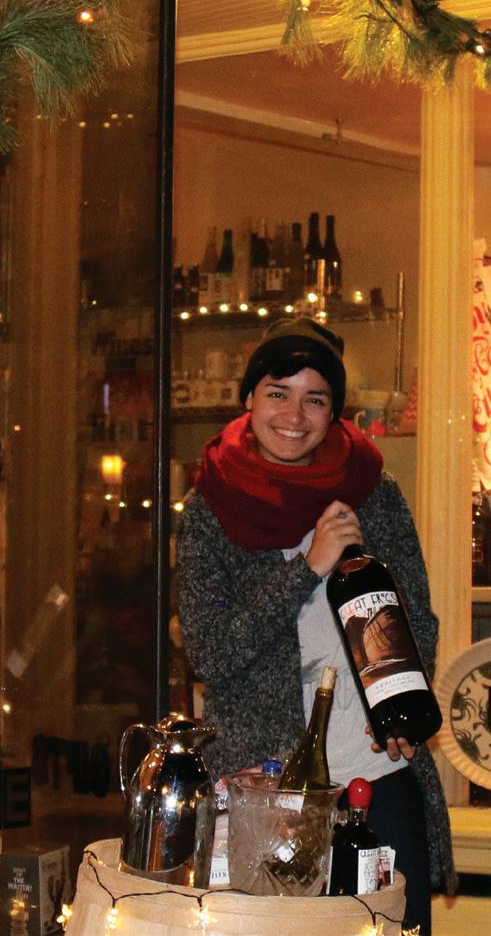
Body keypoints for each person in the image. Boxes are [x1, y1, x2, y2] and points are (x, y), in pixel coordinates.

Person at [174, 318, 452, 930]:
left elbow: (415, 620)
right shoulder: (210, 508)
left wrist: (401, 705)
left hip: (376, 771)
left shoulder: (374, 493)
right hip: (262, 789)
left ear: (334, 411)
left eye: (315, 399)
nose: (294, 416)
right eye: (278, 392)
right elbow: (211, 652)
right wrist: (307, 569)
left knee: (394, 927)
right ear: (249, 398)